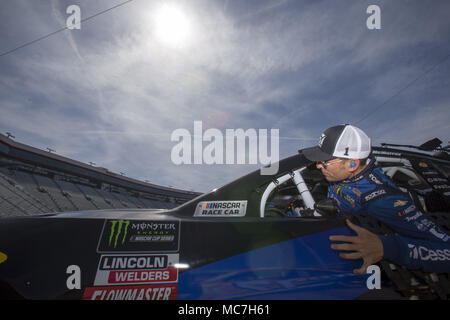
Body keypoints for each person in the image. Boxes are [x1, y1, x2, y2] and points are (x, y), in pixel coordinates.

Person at [301, 124, 450, 274]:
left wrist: (387, 248)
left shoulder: (386, 201)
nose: (319, 166)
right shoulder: (343, 171)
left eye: (324, 161)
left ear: (352, 164)